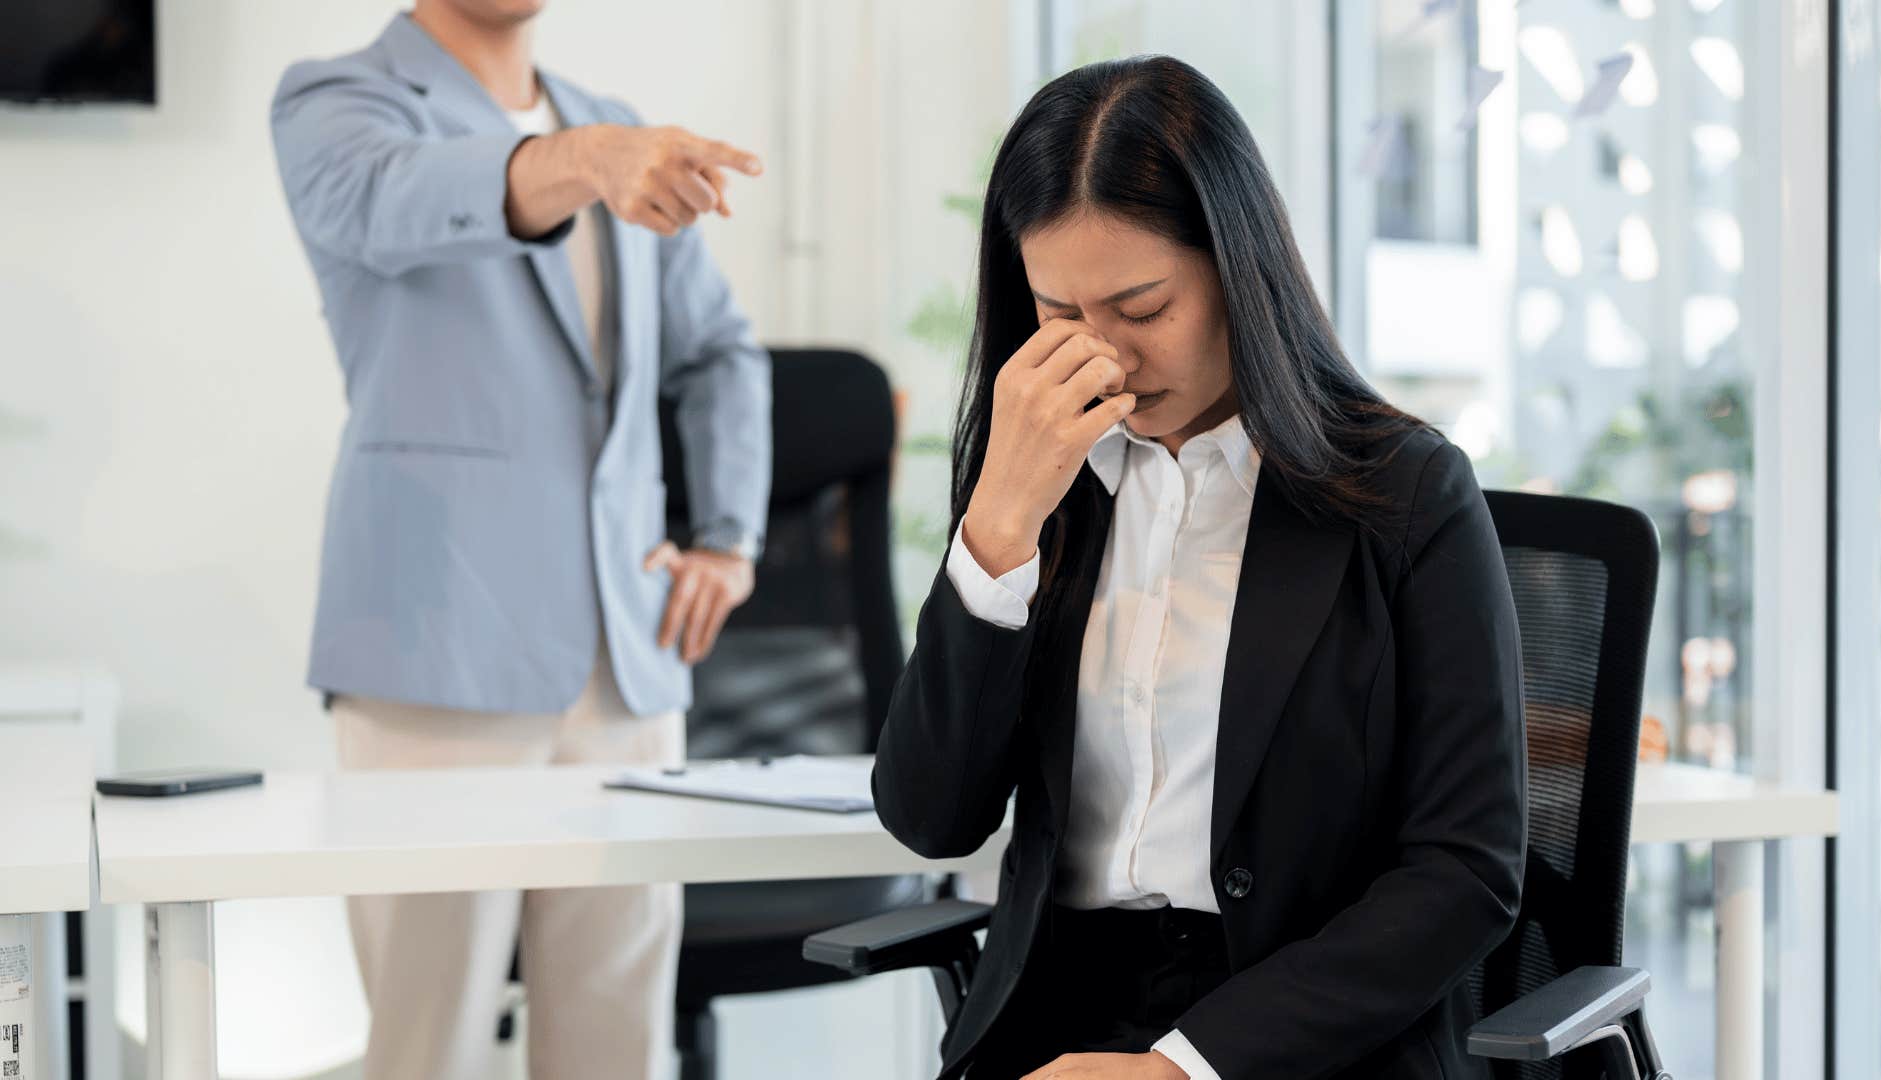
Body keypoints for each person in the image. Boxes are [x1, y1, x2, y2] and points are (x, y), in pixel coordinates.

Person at [873, 56, 1526, 1080]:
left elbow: (1465, 872)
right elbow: (930, 816)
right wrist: (997, 527)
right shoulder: (1045, 475)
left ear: (1236, 268)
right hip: (1057, 1015)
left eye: (1143, 309)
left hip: (1298, 1032)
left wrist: (1184, 1067)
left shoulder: (1406, 493)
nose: (1108, 361)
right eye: (1060, 316)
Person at [269, 2, 771, 1077]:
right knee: (428, 1042)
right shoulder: (336, 101)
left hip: (624, 668)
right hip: (436, 658)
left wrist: (728, 536)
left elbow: (722, 349)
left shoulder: (614, 125)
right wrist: (586, 162)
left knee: (616, 1042)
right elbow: (395, 201)